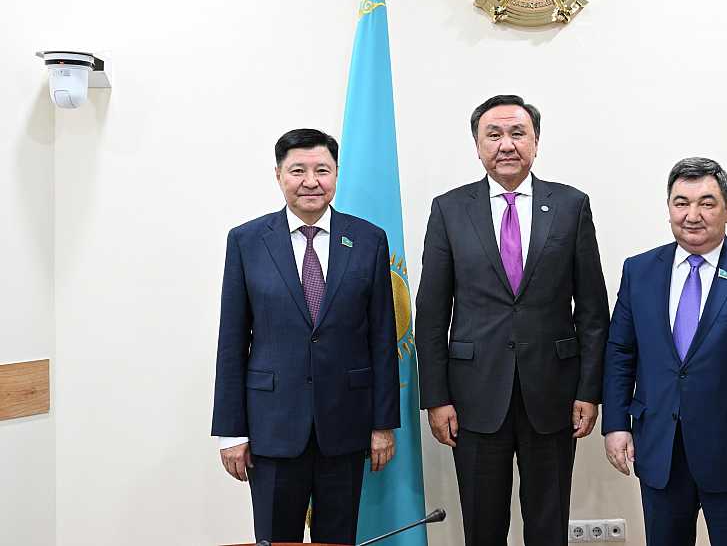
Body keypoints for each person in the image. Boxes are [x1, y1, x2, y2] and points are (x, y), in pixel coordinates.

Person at [414, 95, 610, 546]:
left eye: (518, 133)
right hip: (473, 395)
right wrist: (436, 398)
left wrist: (589, 390)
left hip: (554, 392)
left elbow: (593, 311)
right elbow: (431, 314)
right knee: (483, 526)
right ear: (477, 145)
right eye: (494, 134)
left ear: (536, 142)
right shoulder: (449, 209)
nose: (506, 144)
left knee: (548, 525)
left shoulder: (571, 205)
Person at [602, 157, 727, 546]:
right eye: (681, 203)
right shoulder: (639, 271)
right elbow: (619, 354)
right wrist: (615, 424)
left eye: (707, 203)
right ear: (668, 207)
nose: (692, 215)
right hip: (660, 450)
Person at [211, 128, 399, 544]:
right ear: (279, 175)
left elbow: (383, 340)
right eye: (298, 170)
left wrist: (383, 424)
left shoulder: (368, 240)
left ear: (337, 175)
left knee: (337, 540)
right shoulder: (246, 241)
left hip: (346, 425)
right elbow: (232, 342)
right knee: (276, 540)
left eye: (322, 170)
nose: (311, 181)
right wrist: (232, 431)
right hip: (272, 427)